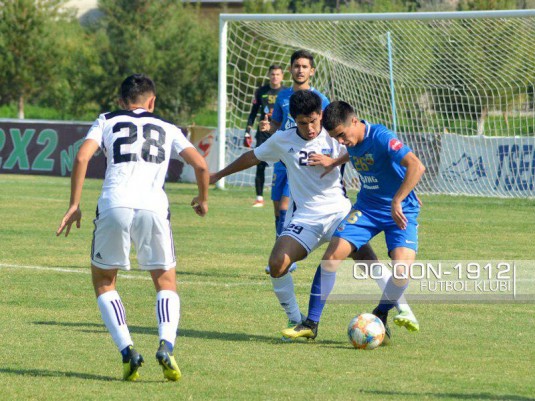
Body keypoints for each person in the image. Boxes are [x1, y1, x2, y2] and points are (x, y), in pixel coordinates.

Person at [56, 74, 209, 382]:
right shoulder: (167, 127)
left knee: (104, 280)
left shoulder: (106, 120)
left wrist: (74, 205)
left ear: (121, 102)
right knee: (165, 281)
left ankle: (128, 351)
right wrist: (202, 198)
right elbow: (201, 165)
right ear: (151, 102)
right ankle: (166, 345)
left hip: (115, 204)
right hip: (154, 206)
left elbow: (83, 156)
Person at [211, 90, 375, 337]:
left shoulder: (335, 135)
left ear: (321, 115)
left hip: (338, 213)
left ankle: (395, 308)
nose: (310, 128)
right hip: (306, 218)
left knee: (368, 260)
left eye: (314, 121)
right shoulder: (282, 140)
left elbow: (364, 150)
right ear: (293, 120)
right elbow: (251, 157)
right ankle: (298, 320)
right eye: (302, 123)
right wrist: (218, 175)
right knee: (277, 264)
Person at [283, 100, 425, 341]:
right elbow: (354, 149)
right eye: (335, 138)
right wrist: (333, 161)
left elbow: (416, 166)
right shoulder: (351, 139)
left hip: (400, 211)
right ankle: (311, 323)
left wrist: (398, 199)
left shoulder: (381, 136)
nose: (340, 142)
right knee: (331, 257)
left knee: (401, 271)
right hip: (367, 209)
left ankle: (380, 314)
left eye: (341, 135)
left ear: (355, 122)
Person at [259, 49, 329, 274]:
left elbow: (326, 130)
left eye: (304, 66)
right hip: (282, 159)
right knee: (277, 209)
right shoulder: (282, 97)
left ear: (312, 71)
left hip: (302, 161)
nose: (300, 70)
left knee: (286, 206)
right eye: (297, 66)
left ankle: (288, 257)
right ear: (290, 69)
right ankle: (281, 254)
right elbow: (278, 128)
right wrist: (268, 128)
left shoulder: (320, 99)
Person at [243, 64, 286, 207]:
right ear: (269, 75)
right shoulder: (261, 91)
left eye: (278, 74)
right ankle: (259, 198)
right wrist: (247, 131)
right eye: (273, 74)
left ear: (282, 76)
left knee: (285, 163)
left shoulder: (286, 92)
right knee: (259, 163)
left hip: (280, 132)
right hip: (263, 133)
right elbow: (253, 113)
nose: (275, 77)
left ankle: (286, 195)